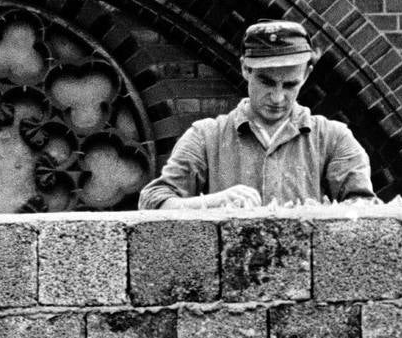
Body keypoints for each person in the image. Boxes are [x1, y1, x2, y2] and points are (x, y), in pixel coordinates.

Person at [138, 20, 374, 209]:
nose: (278, 97)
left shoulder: (334, 139)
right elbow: (153, 202)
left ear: (307, 74)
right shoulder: (206, 136)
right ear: (245, 69)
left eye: (290, 85)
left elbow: (367, 212)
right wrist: (214, 202)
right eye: (266, 82)